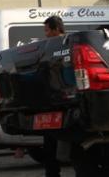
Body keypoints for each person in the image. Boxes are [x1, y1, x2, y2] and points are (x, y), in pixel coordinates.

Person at [42, 16, 65, 177]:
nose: (46, 34)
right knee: (50, 140)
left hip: (61, 99)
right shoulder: (53, 45)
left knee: (51, 140)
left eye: (47, 30)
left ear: (56, 29)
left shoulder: (62, 44)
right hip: (54, 99)